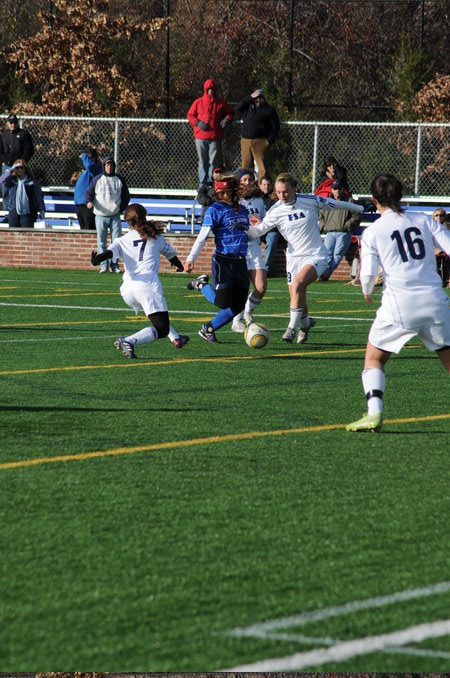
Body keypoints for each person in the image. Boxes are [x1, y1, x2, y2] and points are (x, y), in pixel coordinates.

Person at [346, 173, 450, 432]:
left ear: (374, 200)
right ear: (401, 196)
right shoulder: (424, 220)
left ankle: (374, 413)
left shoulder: (373, 231)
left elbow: (368, 273)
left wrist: (367, 289)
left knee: (374, 358)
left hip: (399, 305)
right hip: (435, 301)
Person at [247, 172, 363, 344]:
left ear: (294, 188)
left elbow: (336, 204)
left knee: (298, 285)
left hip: (316, 255)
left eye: (285, 191)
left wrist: (360, 209)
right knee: (297, 294)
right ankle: (306, 324)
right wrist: (243, 228)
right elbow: (258, 231)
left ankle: (291, 329)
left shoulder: (310, 200)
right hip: (293, 258)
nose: (282, 196)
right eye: (278, 192)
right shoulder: (276, 210)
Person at [90, 203, 189, 357]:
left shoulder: (122, 240)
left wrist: (97, 259)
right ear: (144, 216)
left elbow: (109, 252)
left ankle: (176, 338)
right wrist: (180, 266)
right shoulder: (156, 236)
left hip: (127, 291)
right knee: (161, 328)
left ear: (127, 221)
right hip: (147, 285)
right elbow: (171, 255)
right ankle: (129, 341)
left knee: (156, 314)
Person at [184, 174, 250, 343]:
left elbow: (248, 234)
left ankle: (208, 329)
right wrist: (191, 258)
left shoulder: (243, 209)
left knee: (238, 305)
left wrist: (256, 227)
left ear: (234, 191)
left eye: (228, 192)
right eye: (221, 193)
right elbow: (202, 236)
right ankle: (201, 284)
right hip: (223, 261)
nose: (225, 195)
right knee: (223, 303)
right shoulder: (214, 210)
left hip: (241, 261)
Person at [231, 168, 267, 332]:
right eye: (244, 179)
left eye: (250, 179)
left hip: (254, 248)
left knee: (261, 287)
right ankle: (236, 321)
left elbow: (265, 222)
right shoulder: (234, 200)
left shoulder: (259, 200)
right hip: (239, 248)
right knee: (241, 288)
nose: (248, 182)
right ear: (238, 182)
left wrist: (260, 223)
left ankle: (247, 312)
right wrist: (245, 224)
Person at [85, 156, 130, 273]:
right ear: (104, 166)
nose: (109, 167)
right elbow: (88, 193)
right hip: (100, 215)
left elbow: (126, 196)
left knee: (116, 242)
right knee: (101, 242)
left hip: (115, 215)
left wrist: (121, 208)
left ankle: (114, 265)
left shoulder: (119, 180)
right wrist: (89, 202)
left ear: (114, 166)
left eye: (111, 165)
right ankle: (103, 265)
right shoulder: (97, 179)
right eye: (107, 165)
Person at [187, 79, 234, 188]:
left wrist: (227, 119)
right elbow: (190, 115)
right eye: (208, 89)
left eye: (212, 89)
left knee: (213, 161)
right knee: (202, 161)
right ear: (205, 90)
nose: (210, 91)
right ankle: (202, 184)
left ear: (215, 90)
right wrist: (197, 122)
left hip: (215, 137)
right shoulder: (198, 102)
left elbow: (230, 113)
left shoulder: (221, 103)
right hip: (200, 137)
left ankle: (211, 182)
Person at [318, 178, 362, 281]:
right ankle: (324, 273)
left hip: (344, 233)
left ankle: (325, 274)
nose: (337, 191)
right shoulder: (327, 202)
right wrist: (323, 226)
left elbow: (357, 215)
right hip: (330, 232)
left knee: (337, 255)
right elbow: (321, 216)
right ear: (331, 190)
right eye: (335, 188)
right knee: (327, 254)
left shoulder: (349, 201)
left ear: (343, 189)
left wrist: (347, 226)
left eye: (339, 188)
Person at [236, 89, 280, 179]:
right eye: (256, 98)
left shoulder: (269, 110)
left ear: (264, 99)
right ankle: (248, 185)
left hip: (260, 141)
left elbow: (276, 128)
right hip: (246, 140)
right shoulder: (248, 107)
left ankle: (262, 185)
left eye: (260, 98)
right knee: (246, 167)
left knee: (262, 168)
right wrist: (250, 97)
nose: (258, 100)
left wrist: (268, 141)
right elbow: (238, 107)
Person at [1, 113, 35, 208]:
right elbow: (1, 151)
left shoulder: (23, 134)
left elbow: (29, 150)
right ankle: (7, 211)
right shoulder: (4, 135)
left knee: (18, 188)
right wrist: (3, 161)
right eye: (11, 122)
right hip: (7, 166)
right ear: (7, 123)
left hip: (18, 166)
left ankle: (18, 210)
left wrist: (21, 162)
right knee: (5, 188)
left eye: (15, 123)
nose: (13, 125)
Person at [0, 159, 45, 228]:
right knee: (13, 232)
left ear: (25, 169)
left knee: (26, 232)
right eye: (17, 168)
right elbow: (2, 180)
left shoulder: (32, 181)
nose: (19, 169)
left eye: (21, 167)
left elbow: (38, 196)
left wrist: (42, 209)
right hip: (14, 212)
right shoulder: (12, 180)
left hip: (28, 212)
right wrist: (11, 169)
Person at [258, 174, 283, 275]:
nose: (266, 187)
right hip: (258, 227)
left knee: (272, 239)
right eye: (264, 185)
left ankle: (266, 270)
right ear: (260, 185)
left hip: (271, 228)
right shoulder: (255, 198)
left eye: (268, 185)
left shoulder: (276, 198)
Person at [73, 148, 102, 230]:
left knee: (89, 232)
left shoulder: (96, 168)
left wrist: (83, 156)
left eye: (88, 158)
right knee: (83, 233)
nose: (85, 160)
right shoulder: (85, 171)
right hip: (80, 206)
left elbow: (89, 165)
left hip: (88, 206)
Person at [432, 208, 450, 287]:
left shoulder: (447, 229)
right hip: (434, 254)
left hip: (445, 255)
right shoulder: (430, 228)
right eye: (436, 215)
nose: (439, 217)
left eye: (441, 215)